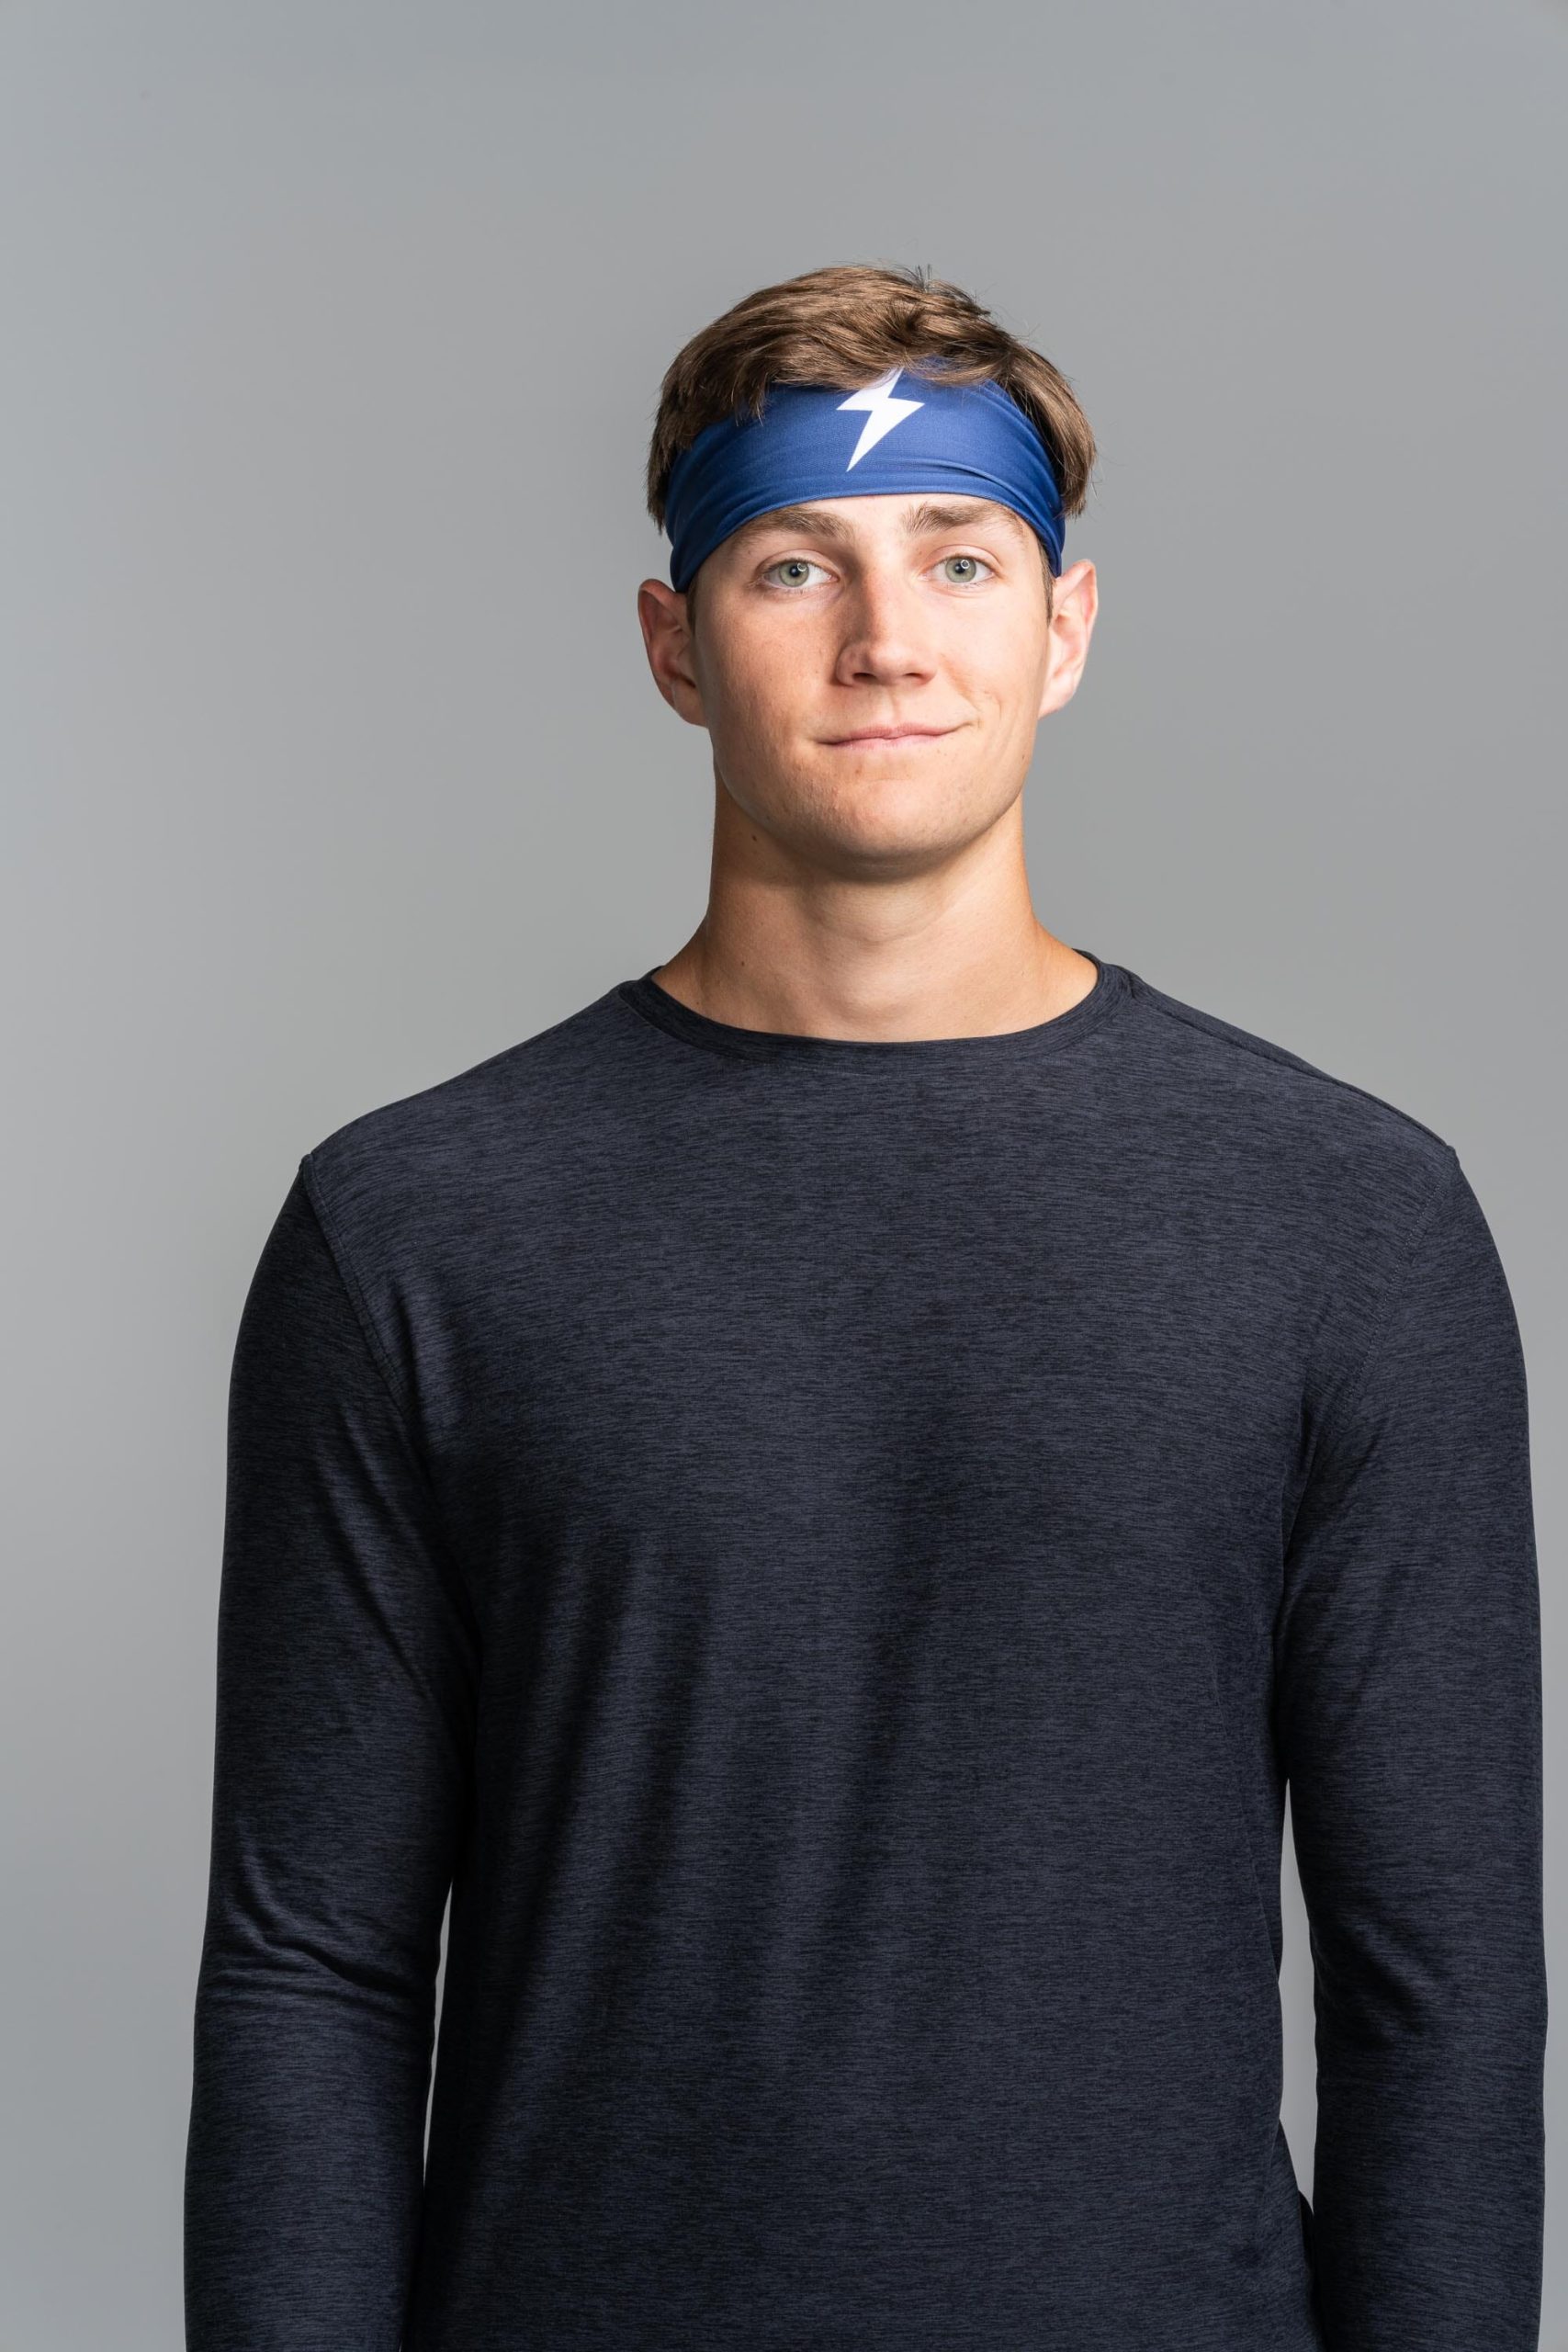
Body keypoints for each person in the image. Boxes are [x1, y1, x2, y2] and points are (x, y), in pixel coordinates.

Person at [184, 261, 1546, 2350]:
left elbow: (1439, 1989)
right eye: (793, 564)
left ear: (1063, 627)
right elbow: (313, 1971)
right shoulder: (413, 1232)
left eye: (959, 558)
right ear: (674, 644)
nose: (886, 638)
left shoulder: (1347, 1222)